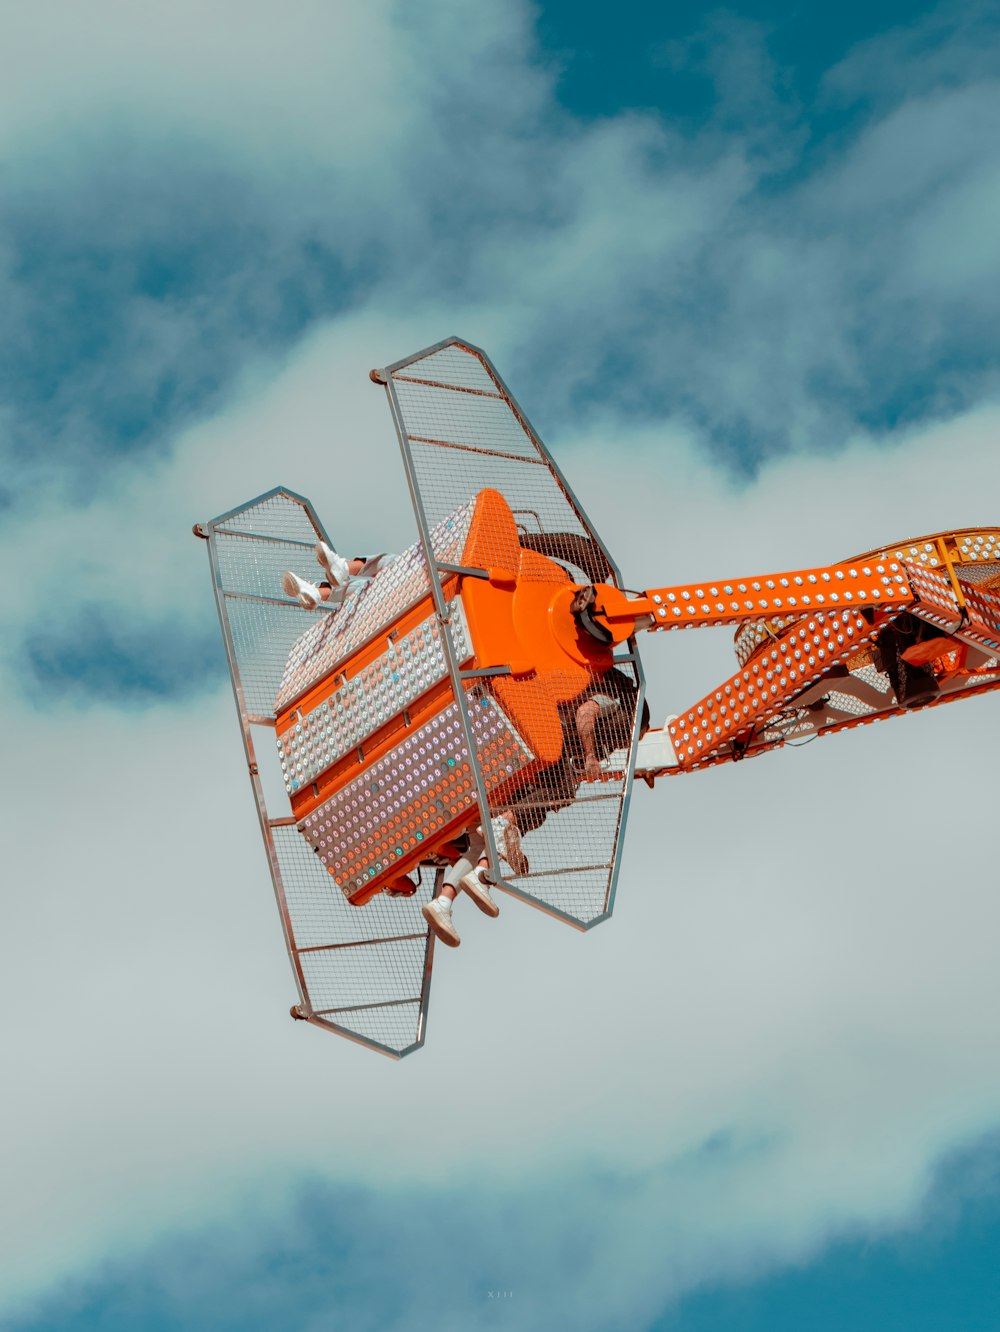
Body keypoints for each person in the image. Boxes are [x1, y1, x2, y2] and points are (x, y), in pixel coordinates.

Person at [421, 824, 502, 948]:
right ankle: (480, 873)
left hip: (476, 811)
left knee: (479, 848)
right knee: (511, 827)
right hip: (493, 809)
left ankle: (443, 902)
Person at [282, 541, 395, 610]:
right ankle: (318, 593)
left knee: (394, 561)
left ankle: (343, 569)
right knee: (363, 586)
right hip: (387, 592)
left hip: (396, 589)